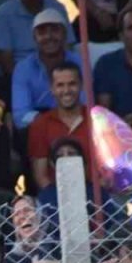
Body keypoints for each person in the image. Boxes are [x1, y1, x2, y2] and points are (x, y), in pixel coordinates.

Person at [12, 8, 83, 130]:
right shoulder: (23, 68)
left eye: (55, 30)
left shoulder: (80, 63)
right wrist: (53, 123)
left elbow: (85, 105)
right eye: (42, 32)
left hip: (74, 124)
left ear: (65, 35)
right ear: (34, 38)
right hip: (38, 127)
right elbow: (20, 116)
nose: (49, 36)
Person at [27, 62, 93, 191]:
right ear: (51, 88)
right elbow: (41, 177)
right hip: (56, 199)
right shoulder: (40, 124)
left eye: (72, 84)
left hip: (95, 198)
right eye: (60, 85)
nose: (67, 91)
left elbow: (106, 170)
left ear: (81, 86)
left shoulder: (97, 120)